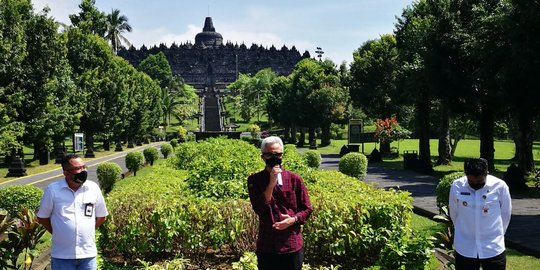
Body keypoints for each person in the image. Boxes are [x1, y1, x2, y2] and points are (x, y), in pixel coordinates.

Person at [247, 136, 313, 270]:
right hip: (267, 245)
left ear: (282, 155)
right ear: (263, 157)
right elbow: (259, 209)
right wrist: (271, 183)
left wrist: (293, 220)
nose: (274, 157)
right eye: (269, 154)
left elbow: (307, 209)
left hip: (291, 243)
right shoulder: (255, 180)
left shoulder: (294, 179)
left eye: (277, 154)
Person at [37, 154, 108, 270]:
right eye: (76, 168)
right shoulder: (53, 190)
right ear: (65, 172)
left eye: (83, 167)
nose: (82, 171)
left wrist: (86, 230)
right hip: (62, 256)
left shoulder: (93, 188)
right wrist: (58, 232)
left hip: (87, 255)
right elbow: (42, 218)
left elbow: (102, 216)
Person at [449, 158, 512, 270]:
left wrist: (497, 234)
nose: (475, 184)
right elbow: (454, 213)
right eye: (471, 181)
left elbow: (505, 214)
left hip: (493, 247)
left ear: (486, 173)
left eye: (479, 181)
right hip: (465, 247)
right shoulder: (457, 186)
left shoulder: (500, 187)